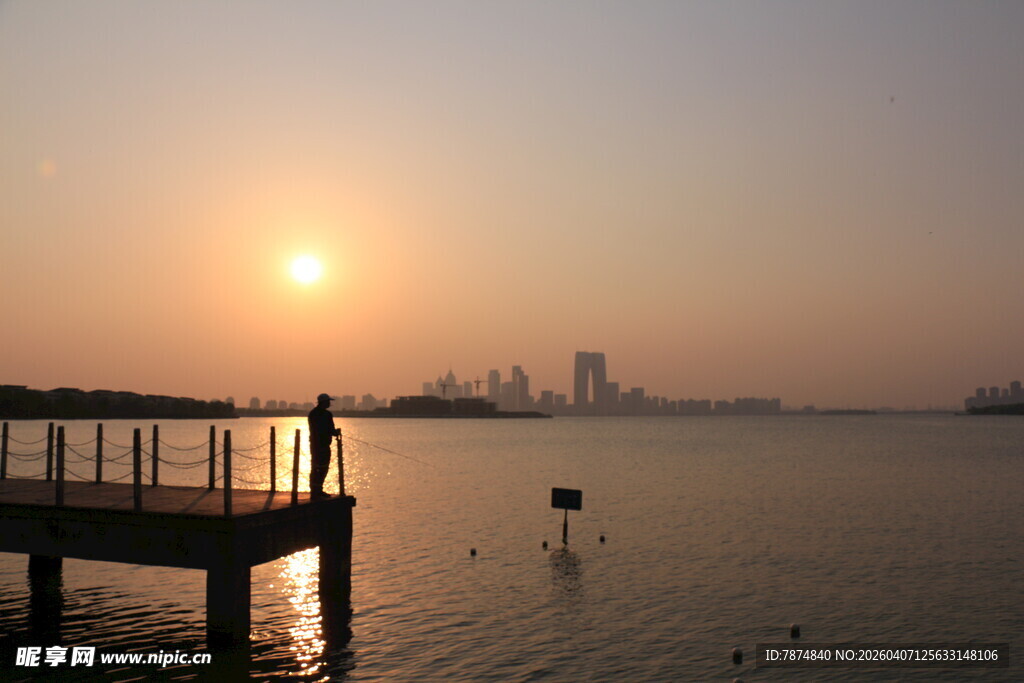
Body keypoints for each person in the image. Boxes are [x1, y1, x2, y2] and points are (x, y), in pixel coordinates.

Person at [308, 393, 341, 498]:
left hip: (315, 445)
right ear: (324, 402)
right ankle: (318, 490)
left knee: (315, 467)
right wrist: (336, 432)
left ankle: (315, 490)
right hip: (323, 445)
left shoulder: (312, 413)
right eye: (328, 401)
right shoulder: (327, 415)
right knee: (322, 467)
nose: (329, 403)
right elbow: (330, 429)